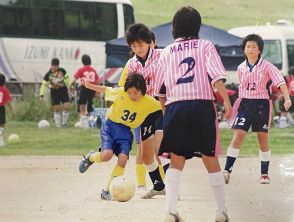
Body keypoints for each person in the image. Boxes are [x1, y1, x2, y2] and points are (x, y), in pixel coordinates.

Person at [155, 6, 232, 221]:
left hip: (175, 106)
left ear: (174, 27)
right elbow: (216, 78)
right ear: (197, 26)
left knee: (176, 158)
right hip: (202, 105)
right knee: (210, 157)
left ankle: (170, 212)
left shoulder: (167, 51)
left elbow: (160, 91)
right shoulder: (206, 46)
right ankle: (221, 211)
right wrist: (226, 101)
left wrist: (166, 112)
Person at [78, 73, 163, 200]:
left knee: (123, 159)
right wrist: (88, 85)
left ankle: (107, 191)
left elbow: (163, 107)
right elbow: (104, 89)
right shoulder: (120, 93)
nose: (132, 96)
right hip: (110, 126)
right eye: (129, 92)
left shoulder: (150, 102)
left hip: (126, 132)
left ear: (143, 91)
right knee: (106, 155)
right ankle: (90, 157)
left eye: (136, 92)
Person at [223, 34, 292, 185]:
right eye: (248, 46)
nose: (251, 49)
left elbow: (280, 82)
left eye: (254, 46)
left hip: (262, 104)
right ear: (244, 50)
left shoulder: (267, 66)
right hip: (245, 103)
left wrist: (287, 98)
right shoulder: (241, 67)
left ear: (259, 50)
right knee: (238, 135)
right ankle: (227, 170)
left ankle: (264, 173)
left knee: (262, 138)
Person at [118, 30, 169, 193]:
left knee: (160, 148)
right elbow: (123, 88)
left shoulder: (163, 55)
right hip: (144, 111)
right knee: (146, 154)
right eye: (134, 46)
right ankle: (159, 186)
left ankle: (174, 186)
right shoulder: (131, 64)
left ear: (149, 42)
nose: (138, 49)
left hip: (161, 106)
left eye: (141, 45)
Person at [69, 54, 100, 128]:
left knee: (82, 103)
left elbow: (75, 79)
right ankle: (88, 120)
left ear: (82, 62)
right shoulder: (93, 70)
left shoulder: (81, 69)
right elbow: (98, 81)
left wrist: (70, 86)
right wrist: (97, 91)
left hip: (85, 87)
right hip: (92, 88)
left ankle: (83, 121)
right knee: (89, 104)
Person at [39, 58, 70, 127]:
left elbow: (68, 79)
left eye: (56, 66)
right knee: (56, 108)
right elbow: (44, 85)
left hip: (63, 90)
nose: (55, 67)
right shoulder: (48, 74)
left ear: (58, 66)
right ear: (51, 66)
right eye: (54, 66)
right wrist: (41, 94)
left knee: (66, 106)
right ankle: (58, 125)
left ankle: (65, 123)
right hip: (54, 91)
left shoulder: (62, 71)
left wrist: (71, 86)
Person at [0, 74, 13, 146]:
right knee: (2, 126)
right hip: (1, 108)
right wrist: (11, 110)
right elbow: (8, 101)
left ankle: (1, 142)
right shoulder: (4, 89)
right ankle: (1, 142)